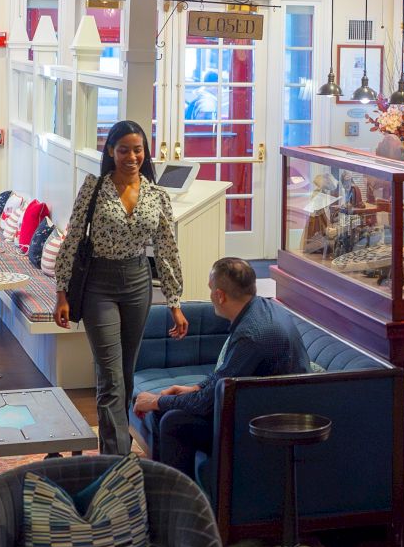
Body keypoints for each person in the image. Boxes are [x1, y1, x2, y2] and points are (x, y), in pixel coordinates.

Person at [54, 120, 188, 455]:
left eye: (138, 149)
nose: (131, 156)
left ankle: (116, 445)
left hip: (138, 283)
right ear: (111, 152)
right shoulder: (94, 188)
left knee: (126, 375)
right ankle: (116, 459)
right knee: (111, 377)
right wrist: (61, 293)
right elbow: (72, 242)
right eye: (124, 149)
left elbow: (167, 249)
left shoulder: (157, 195)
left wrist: (174, 303)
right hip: (99, 283)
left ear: (145, 151)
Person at [133, 257, 309, 478]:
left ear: (220, 296)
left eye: (210, 289)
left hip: (265, 423)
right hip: (266, 405)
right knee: (167, 412)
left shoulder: (251, 335)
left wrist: (156, 401)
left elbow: (209, 402)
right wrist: (195, 388)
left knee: (173, 421)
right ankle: (168, 495)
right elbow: (226, 377)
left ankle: (179, 503)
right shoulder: (264, 309)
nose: (210, 296)